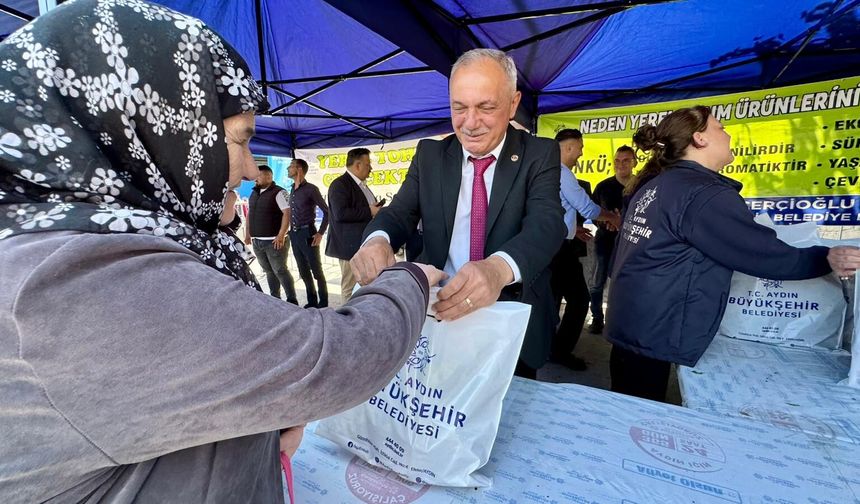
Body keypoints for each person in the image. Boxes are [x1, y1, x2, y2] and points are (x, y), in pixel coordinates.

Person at [0, 2, 446, 502]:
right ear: (154, 132)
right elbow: (333, 357)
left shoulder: (64, 241)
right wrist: (409, 280)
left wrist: (256, 430)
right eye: (238, 141)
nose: (246, 167)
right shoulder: (75, 276)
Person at [606, 105, 860, 402]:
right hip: (654, 327)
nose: (727, 134)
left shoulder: (659, 183)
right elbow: (760, 252)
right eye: (720, 127)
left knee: (625, 409)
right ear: (700, 139)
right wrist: (825, 257)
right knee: (639, 415)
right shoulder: (703, 193)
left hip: (632, 321)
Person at [351, 48, 567, 380]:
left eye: (486, 107)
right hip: (439, 317)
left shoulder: (538, 154)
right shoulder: (431, 154)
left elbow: (547, 222)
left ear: (513, 103)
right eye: (459, 107)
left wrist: (498, 269)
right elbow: (400, 213)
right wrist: (377, 241)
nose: (470, 123)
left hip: (507, 318)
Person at [550, 128, 619, 371]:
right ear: (569, 147)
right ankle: (559, 351)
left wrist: (571, 229)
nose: (581, 153)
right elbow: (586, 207)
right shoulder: (562, 173)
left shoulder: (545, 169)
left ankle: (549, 347)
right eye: (579, 147)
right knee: (579, 300)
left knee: (552, 301)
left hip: (554, 245)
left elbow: (559, 210)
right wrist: (613, 218)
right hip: (558, 251)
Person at [588, 145, 637, 334]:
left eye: (626, 160)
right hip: (605, 242)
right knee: (597, 282)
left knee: (626, 284)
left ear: (634, 162)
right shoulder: (603, 186)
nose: (621, 164)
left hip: (631, 244)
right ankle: (597, 319)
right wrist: (605, 223)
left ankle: (621, 321)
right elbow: (592, 213)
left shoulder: (642, 186)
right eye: (617, 160)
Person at [326, 148, 381, 302]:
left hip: (362, 244)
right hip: (348, 248)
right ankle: (346, 321)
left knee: (364, 285)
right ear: (357, 165)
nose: (371, 168)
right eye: (367, 164)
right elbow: (340, 214)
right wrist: (369, 211)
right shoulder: (340, 185)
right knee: (350, 288)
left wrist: (373, 208)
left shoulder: (361, 185)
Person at [244, 165, 298, 304]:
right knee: (268, 271)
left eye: (258, 176)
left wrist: (281, 235)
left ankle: (292, 300)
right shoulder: (254, 192)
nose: (255, 179)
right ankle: (275, 299)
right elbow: (250, 213)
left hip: (274, 241)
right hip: (257, 241)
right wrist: (248, 233)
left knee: (280, 270)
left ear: (269, 177)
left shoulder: (279, 192)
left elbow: (287, 213)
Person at [287, 158, 330, 308]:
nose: (288, 169)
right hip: (294, 234)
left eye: (291, 166)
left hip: (308, 233)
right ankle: (312, 301)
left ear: (299, 169)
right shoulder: (292, 188)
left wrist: (320, 233)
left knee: (316, 270)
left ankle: (323, 303)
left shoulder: (311, 189)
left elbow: (327, 211)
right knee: (303, 270)